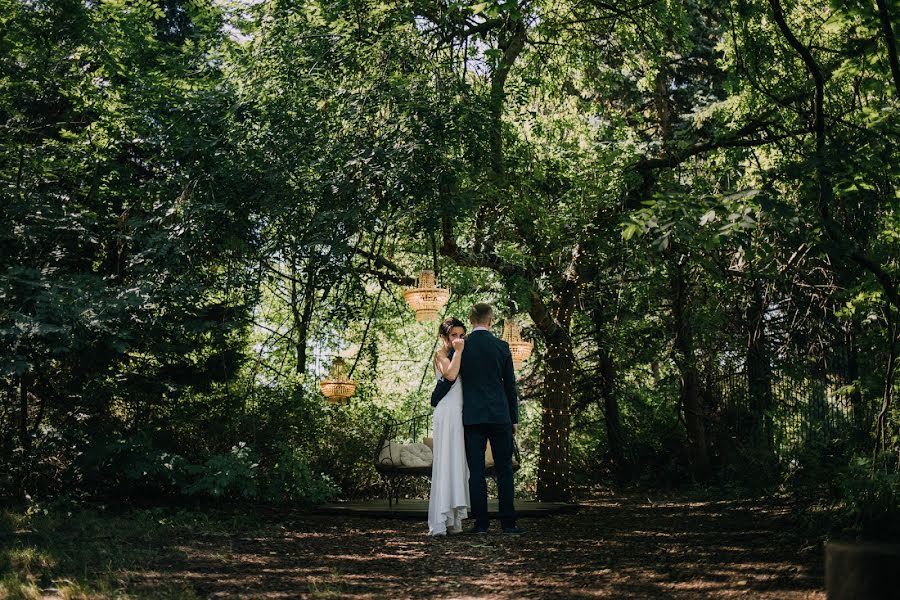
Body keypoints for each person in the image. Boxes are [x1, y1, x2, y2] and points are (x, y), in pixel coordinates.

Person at [459, 303, 524, 535]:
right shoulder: (502, 346)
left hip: (473, 416)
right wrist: (513, 418)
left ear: (470, 319)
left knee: (476, 472)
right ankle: (509, 523)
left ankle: (481, 524)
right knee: (504, 470)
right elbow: (510, 387)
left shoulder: (462, 347)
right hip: (499, 416)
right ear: (491, 320)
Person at [427, 317, 470, 536]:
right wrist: (459, 351)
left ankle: (455, 520)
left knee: (458, 464)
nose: (458, 339)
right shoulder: (441, 355)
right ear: (444, 337)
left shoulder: (463, 354)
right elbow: (451, 375)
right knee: (445, 464)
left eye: (462, 335)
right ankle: (440, 520)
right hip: (446, 413)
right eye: (453, 335)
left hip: (461, 414)